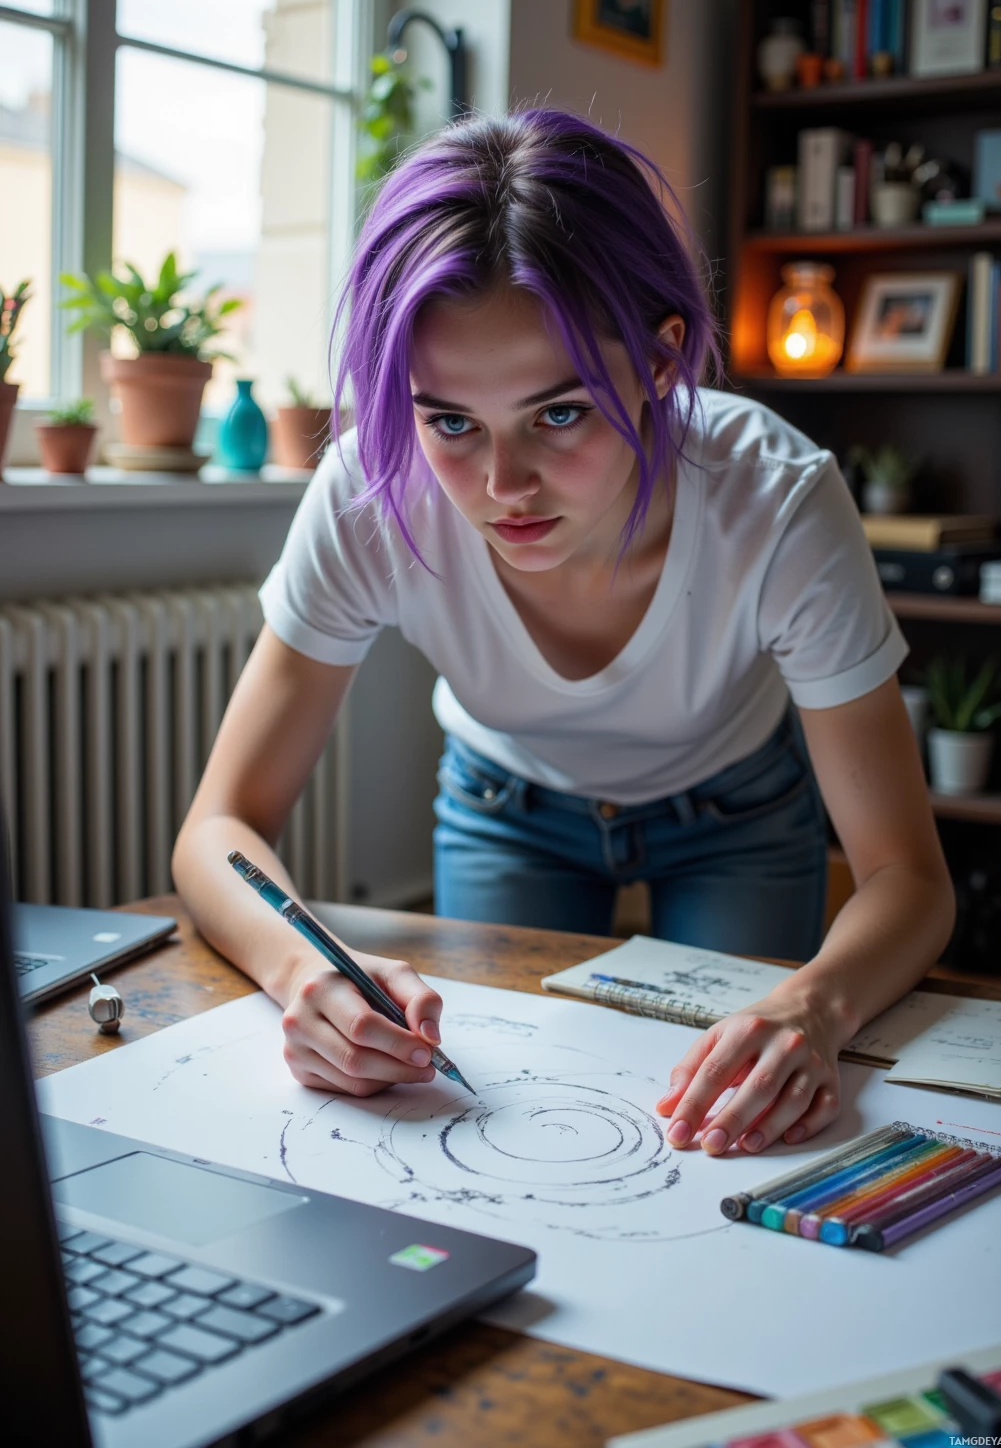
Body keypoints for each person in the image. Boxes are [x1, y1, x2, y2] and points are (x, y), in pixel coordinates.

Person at [173, 109, 953, 1159]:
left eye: (559, 413)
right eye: (448, 420)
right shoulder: (370, 492)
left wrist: (809, 1008)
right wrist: (303, 972)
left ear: (661, 362)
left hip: (738, 808)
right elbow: (216, 828)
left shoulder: (775, 498)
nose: (502, 488)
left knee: (734, 1113)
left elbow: (908, 877)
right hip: (506, 807)